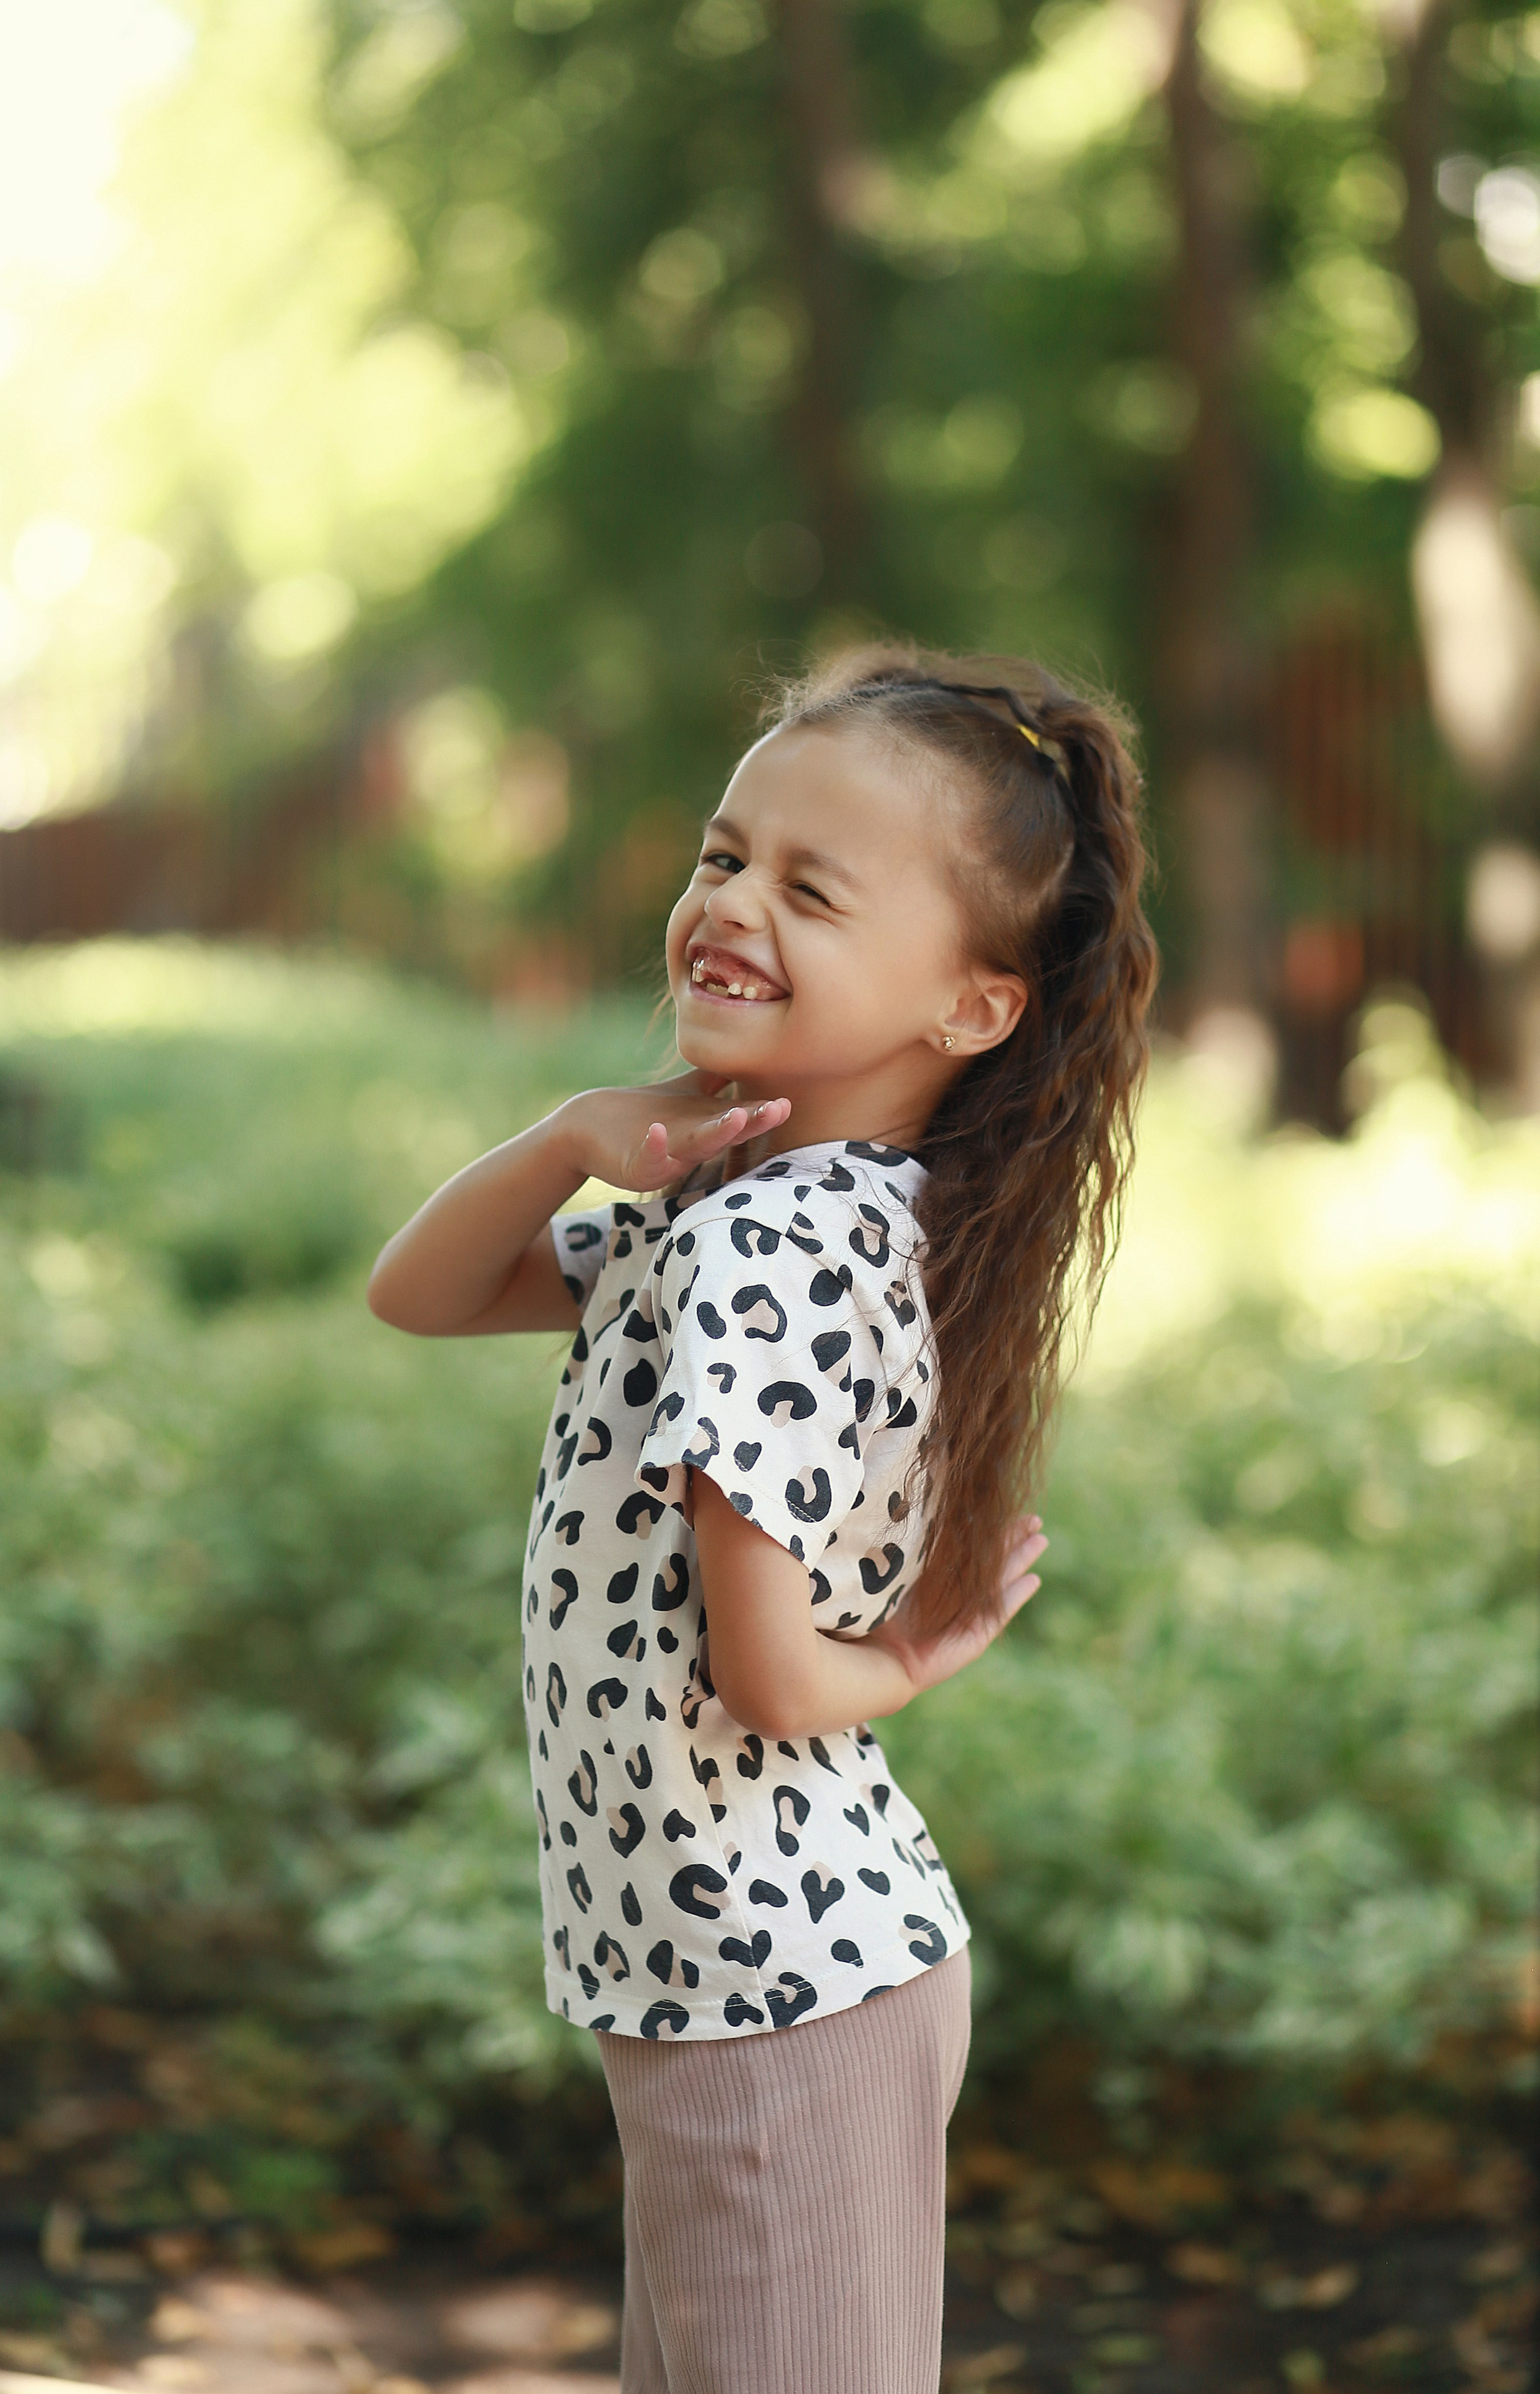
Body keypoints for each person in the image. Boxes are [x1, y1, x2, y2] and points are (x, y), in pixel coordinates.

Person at [368, 643, 1158, 2394]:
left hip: (770, 1987)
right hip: (734, 1977)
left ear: (972, 1005)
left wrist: (925, 1649)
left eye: (813, 885)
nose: (732, 901)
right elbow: (420, 1291)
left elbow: (780, 1679)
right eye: (727, 855)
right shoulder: (750, 1204)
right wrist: (576, 1133)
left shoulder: (775, 1248)